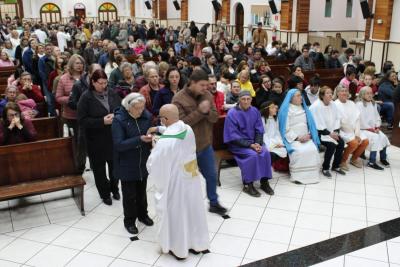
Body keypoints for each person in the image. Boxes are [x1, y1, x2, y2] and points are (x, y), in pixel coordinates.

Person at [146, 104, 210, 260]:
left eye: (161, 119)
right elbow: (174, 133)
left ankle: (179, 248)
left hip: (176, 182)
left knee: (177, 213)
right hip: (191, 176)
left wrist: (155, 145)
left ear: (165, 119)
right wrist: (159, 130)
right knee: (193, 210)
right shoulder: (187, 129)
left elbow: (154, 163)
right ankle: (197, 244)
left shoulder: (165, 142)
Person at [172, 69, 227, 215]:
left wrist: (207, 112)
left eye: (207, 85)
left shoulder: (207, 95)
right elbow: (181, 124)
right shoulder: (178, 99)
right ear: (193, 83)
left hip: (205, 146)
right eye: (203, 85)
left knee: (211, 175)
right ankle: (188, 207)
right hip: (187, 150)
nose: (206, 88)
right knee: (189, 180)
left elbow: (215, 117)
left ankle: (213, 203)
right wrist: (200, 112)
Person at [78, 69, 122, 205]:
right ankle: (104, 194)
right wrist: (102, 121)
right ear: (93, 82)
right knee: (99, 169)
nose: (104, 86)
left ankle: (114, 188)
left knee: (115, 167)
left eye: (105, 83)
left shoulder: (112, 93)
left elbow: (121, 109)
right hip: (95, 140)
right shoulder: (86, 97)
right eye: (100, 83)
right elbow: (82, 120)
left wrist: (116, 116)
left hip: (113, 137)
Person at [112, 93, 154, 234]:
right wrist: (139, 139)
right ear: (128, 108)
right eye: (137, 108)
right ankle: (129, 221)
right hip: (126, 163)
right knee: (130, 195)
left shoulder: (146, 116)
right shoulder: (119, 120)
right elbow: (119, 144)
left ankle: (143, 215)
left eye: (142, 107)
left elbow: (150, 131)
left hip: (143, 161)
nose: (141, 110)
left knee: (142, 191)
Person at [224, 91, 274, 197]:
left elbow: (259, 130)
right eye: (243, 99)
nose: (246, 101)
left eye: (248, 99)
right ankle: (248, 184)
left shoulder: (255, 111)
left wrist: (257, 143)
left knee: (265, 152)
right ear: (239, 100)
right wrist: (250, 145)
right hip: (238, 144)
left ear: (251, 100)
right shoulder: (232, 113)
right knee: (252, 155)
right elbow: (233, 136)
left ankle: (264, 182)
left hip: (254, 142)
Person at [278, 89, 320, 184]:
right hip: (293, 139)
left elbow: (311, 124)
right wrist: (297, 138)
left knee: (312, 149)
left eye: (300, 95)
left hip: (306, 137)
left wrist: (309, 135)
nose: (301, 97)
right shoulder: (285, 110)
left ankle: (312, 177)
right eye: (297, 96)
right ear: (291, 98)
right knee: (299, 152)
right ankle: (298, 177)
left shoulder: (304, 108)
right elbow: (285, 129)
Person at [56, 55, 86, 172]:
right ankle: (73, 164)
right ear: (71, 64)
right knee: (73, 142)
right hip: (70, 116)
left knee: (82, 142)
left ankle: (81, 166)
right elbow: (58, 97)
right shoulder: (63, 79)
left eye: (81, 63)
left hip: (85, 115)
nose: (79, 65)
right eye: (77, 63)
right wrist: (72, 99)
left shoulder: (86, 77)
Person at [310, 86, 345, 177]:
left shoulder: (332, 104)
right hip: (319, 133)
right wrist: (330, 134)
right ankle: (325, 168)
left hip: (332, 132)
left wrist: (336, 131)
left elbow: (337, 118)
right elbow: (318, 125)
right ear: (322, 95)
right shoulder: (316, 106)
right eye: (328, 93)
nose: (330, 95)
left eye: (331, 92)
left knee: (341, 143)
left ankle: (336, 166)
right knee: (331, 145)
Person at [334, 86, 369, 169]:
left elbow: (357, 119)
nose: (344, 93)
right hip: (342, 131)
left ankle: (354, 159)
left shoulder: (351, 103)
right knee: (354, 143)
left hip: (354, 130)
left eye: (346, 91)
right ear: (338, 93)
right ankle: (342, 161)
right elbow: (338, 122)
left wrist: (356, 133)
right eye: (342, 91)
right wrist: (352, 134)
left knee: (365, 141)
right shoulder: (335, 104)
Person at [356, 86, 390, 170]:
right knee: (375, 138)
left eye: (371, 93)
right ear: (362, 94)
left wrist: (377, 126)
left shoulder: (373, 103)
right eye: (367, 93)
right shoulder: (359, 105)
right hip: (362, 129)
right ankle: (371, 162)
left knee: (383, 137)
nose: (370, 95)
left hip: (373, 129)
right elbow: (359, 121)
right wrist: (372, 129)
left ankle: (383, 158)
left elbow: (377, 117)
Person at [260, 101, 288, 172]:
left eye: (275, 107)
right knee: (272, 153)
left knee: (286, 149)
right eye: (272, 107)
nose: (275, 109)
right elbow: (264, 134)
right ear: (266, 109)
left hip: (275, 141)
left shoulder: (275, 118)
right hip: (267, 142)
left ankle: (282, 167)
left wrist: (279, 142)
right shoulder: (262, 119)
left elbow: (277, 132)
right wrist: (274, 144)